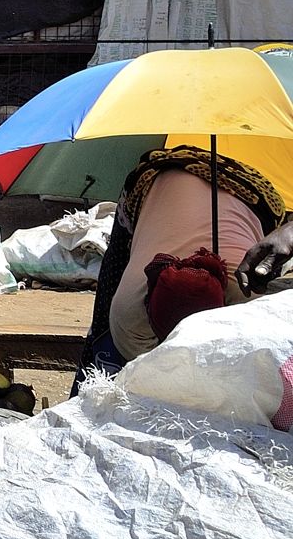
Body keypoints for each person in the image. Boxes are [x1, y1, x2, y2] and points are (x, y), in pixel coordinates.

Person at [77, 146, 280, 377]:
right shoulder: (127, 315)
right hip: (156, 178)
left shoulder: (251, 301)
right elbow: (148, 379)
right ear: (148, 309)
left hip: (245, 190)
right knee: (109, 347)